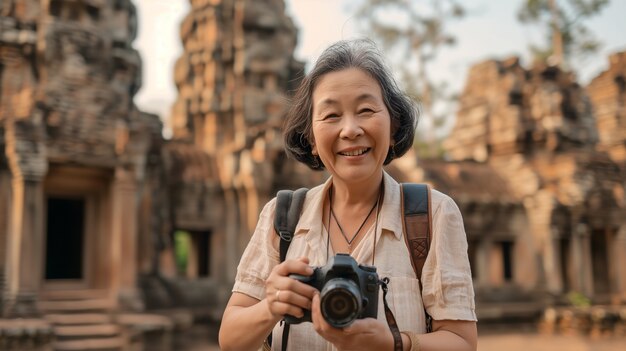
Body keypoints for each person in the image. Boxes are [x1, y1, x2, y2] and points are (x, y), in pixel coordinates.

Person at [219, 39, 477, 351]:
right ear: (311, 138)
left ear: (394, 125)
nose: (350, 129)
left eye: (366, 110)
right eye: (331, 115)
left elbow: (462, 342)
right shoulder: (281, 217)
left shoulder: (433, 216)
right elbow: (230, 339)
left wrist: (395, 343)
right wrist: (271, 306)